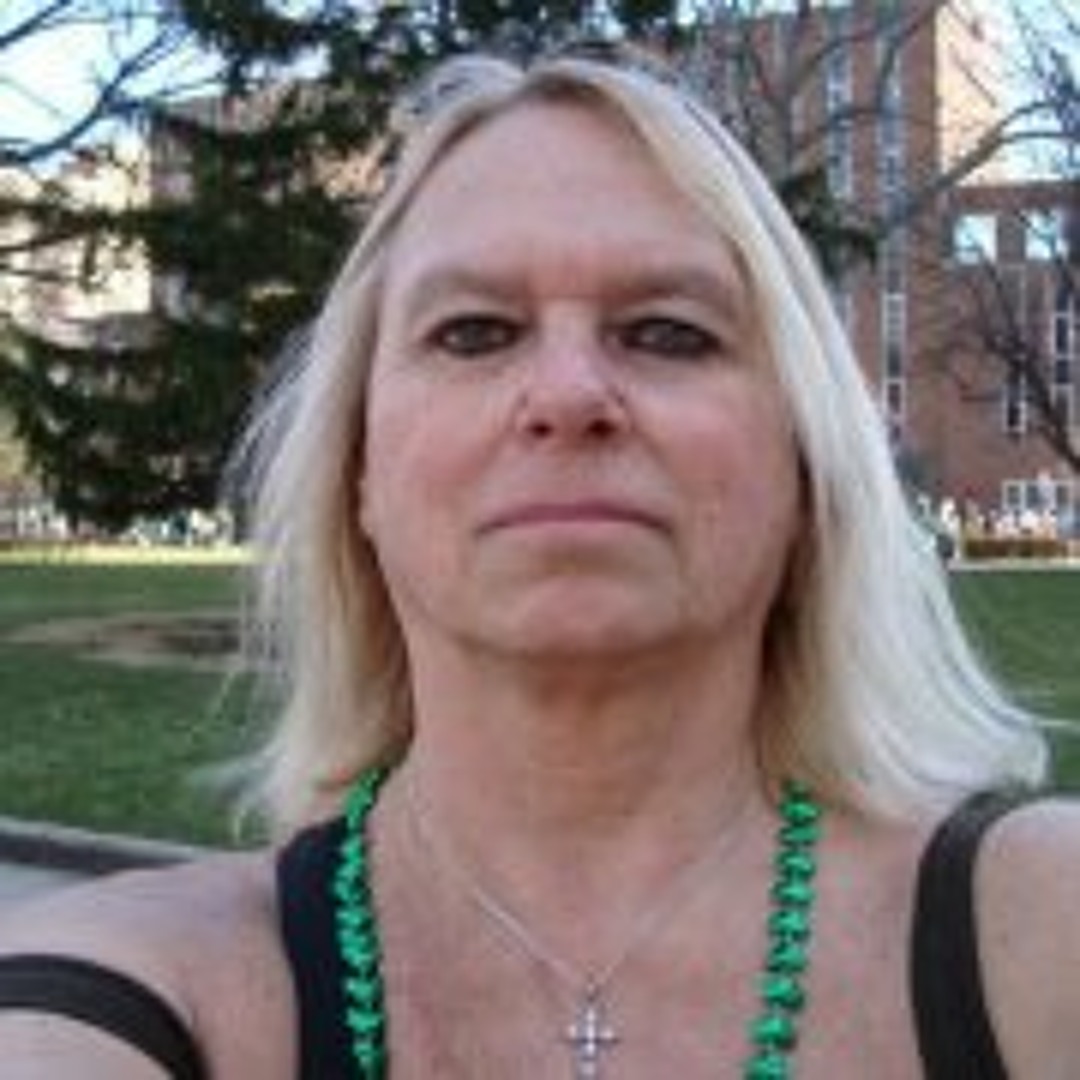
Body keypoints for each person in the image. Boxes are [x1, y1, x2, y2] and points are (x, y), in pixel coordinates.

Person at [1, 48, 1077, 1079]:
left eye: (667, 332)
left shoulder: (1037, 931)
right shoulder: (139, 981)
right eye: (474, 333)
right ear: (359, 469)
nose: (567, 396)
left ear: (805, 465)